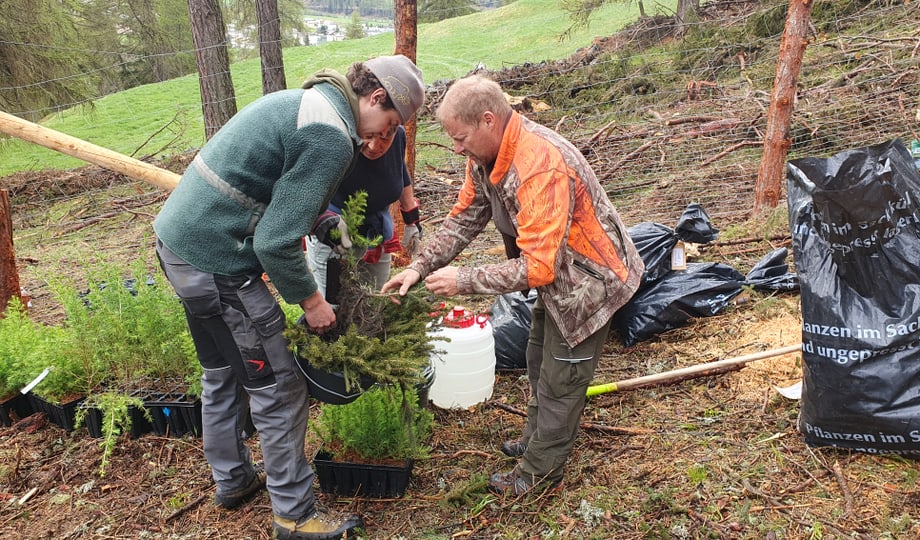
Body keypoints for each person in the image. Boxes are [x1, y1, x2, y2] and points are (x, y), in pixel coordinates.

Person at [153, 55, 424, 540]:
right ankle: (295, 518)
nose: (382, 136)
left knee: (222, 371)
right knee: (280, 386)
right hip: (219, 262)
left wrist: (321, 220)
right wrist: (312, 302)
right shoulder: (331, 135)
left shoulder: (311, 102)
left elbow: (278, 189)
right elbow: (274, 243)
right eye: (391, 122)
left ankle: (233, 480)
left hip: (178, 246)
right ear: (377, 99)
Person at [381, 75, 644, 497]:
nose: (456, 147)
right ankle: (537, 440)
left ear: (488, 120)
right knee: (538, 356)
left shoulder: (538, 164)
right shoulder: (486, 157)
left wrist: (464, 279)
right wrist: (420, 266)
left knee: (562, 379)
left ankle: (538, 474)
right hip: (561, 277)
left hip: (590, 280)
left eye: (461, 137)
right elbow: (464, 217)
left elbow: (538, 267)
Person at [305, 124, 421, 301]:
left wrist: (412, 222)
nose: (375, 146)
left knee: (373, 299)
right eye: (368, 136)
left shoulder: (398, 136)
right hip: (333, 235)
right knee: (334, 305)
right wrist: (323, 224)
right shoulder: (338, 138)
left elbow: (400, 173)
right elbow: (308, 187)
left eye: (384, 139)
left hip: (377, 232)